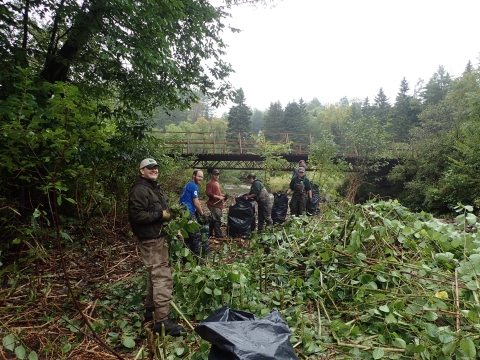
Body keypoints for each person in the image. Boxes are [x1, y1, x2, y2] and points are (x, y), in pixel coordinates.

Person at [128, 158, 185, 336]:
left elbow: (166, 213)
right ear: (141, 171)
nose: (154, 170)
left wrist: (174, 230)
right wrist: (161, 215)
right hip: (150, 239)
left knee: (154, 274)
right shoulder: (139, 190)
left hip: (158, 236)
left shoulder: (154, 187)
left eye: (155, 167)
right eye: (149, 168)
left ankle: (150, 311)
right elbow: (137, 215)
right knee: (162, 277)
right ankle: (162, 321)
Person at [179, 169, 210, 256]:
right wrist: (202, 214)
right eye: (199, 176)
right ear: (193, 176)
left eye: (202, 177)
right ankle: (198, 258)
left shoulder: (188, 185)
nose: (201, 178)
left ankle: (186, 257)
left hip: (182, 212)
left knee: (188, 236)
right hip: (188, 213)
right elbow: (196, 202)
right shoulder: (193, 186)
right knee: (196, 236)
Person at [206, 169, 226, 238]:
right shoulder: (210, 183)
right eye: (215, 175)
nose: (217, 176)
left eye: (218, 175)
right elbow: (208, 193)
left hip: (218, 204)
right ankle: (218, 234)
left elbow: (218, 193)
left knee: (213, 219)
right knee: (217, 219)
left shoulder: (217, 183)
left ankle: (210, 233)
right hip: (213, 204)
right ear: (212, 175)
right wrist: (218, 197)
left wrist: (222, 195)